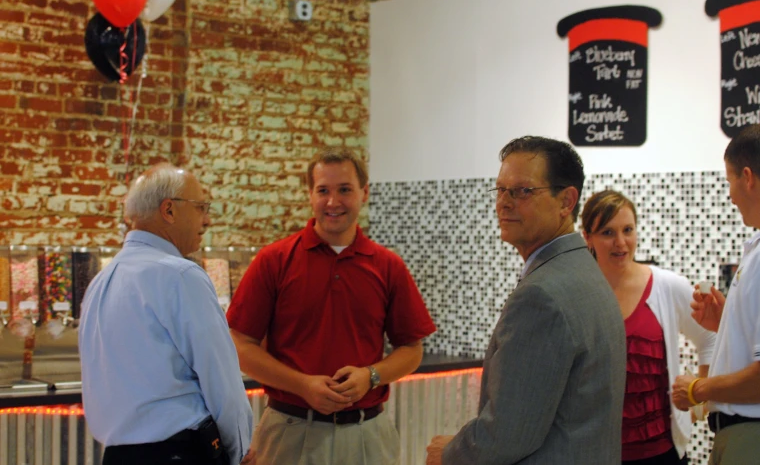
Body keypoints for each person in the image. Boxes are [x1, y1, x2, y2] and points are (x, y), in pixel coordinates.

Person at [226, 147, 436, 465]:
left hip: (368, 437)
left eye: (344, 190)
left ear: (363, 193)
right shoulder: (274, 260)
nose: (333, 202)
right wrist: (302, 385)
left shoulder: (388, 266)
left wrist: (372, 376)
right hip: (289, 432)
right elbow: (239, 345)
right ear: (310, 195)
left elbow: (411, 349)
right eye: (323, 190)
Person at [426, 135, 626, 465]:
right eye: (500, 190)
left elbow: (507, 435)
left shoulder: (541, 296)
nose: (503, 203)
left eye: (522, 191)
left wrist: (448, 454)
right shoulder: (584, 271)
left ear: (567, 201)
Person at [78, 163, 253, 465]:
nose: (208, 220)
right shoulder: (182, 276)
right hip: (180, 452)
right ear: (169, 210)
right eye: (201, 208)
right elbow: (221, 381)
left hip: (117, 454)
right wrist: (243, 451)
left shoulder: (101, 282)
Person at [582, 190, 715, 465]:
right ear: (587, 237)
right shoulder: (576, 294)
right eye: (607, 232)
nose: (621, 243)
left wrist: (701, 397)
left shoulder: (667, 285)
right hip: (595, 454)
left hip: (663, 453)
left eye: (628, 230)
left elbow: (711, 337)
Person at [672, 125, 760, 464]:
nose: (730, 195)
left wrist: (697, 389)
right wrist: (725, 322)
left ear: (747, 177)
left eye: (729, 182)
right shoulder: (754, 248)